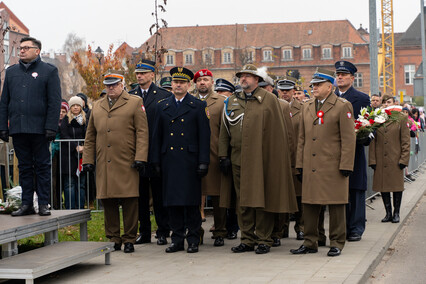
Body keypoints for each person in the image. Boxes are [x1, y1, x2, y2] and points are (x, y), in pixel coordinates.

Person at [219, 64, 297, 254]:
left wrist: (275, 159)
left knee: (261, 199)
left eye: (247, 76)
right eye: (241, 76)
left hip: (262, 159)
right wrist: (223, 155)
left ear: (257, 80)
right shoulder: (232, 101)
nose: (243, 79)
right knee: (243, 201)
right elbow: (224, 130)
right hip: (238, 159)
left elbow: (277, 133)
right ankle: (246, 238)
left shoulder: (269, 100)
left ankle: (264, 238)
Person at [291, 68, 356, 257]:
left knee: (336, 205)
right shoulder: (307, 105)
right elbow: (302, 138)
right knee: (310, 205)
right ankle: (310, 241)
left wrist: (346, 165)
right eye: (313, 85)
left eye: (318, 85)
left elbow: (348, 139)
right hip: (311, 165)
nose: (314, 88)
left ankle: (336, 242)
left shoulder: (342, 106)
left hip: (333, 165)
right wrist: (300, 164)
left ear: (330, 87)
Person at [82, 71, 149, 253]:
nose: (110, 88)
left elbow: (142, 132)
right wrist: (87, 160)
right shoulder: (97, 105)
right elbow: (90, 136)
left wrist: (141, 157)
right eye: (108, 85)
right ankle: (113, 238)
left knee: (129, 200)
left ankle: (129, 238)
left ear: (122, 85)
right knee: (107, 200)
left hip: (127, 160)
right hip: (105, 160)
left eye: (114, 85)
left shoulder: (135, 102)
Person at [151, 66, 210, 253]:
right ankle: (176, 239)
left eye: (182, 82)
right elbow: (156, 137)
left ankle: (193, 238)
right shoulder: (162, 106)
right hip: (169, 160)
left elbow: (204, 136)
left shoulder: (198, 106)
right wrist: (156, 162)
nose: (178, 85)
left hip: (190, 161)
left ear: (188, 85)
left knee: (191, 203)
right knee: (173, 203)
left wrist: (203, 161)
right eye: (176, 82)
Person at [0, 36, 61, 216]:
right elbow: (4, 102)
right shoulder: (11, 72)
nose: (22, 50)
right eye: (21, 48)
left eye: (26, 47)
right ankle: (26, 204)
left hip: (40, 129)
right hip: (18, 128)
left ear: (37, 51)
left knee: (42, 166)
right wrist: (3, 126)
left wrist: (51, 126)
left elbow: (54, 101)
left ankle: (43, 203)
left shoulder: (49, 71)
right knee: (24, 167)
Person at [129, 59, 172, 245]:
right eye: (137, 73)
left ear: (152, 75)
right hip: (137, 153)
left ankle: (163, 230)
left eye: (143, 73)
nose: (139, 76)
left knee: (159, 195)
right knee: (140, 196)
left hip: (156, 153)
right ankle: (144, 231)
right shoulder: (130, 96)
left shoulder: (162, 95)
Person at [334, 60, 370, 242]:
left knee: (355, 189)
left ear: (352, 78)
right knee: (337, 191)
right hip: (332, 152)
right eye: (338, 75)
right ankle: (340, 227)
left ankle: (356, 227)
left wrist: (365, 135)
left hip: (354, 150)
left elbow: (368, 125)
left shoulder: (362, 99)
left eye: (343, 75)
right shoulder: (329, 96)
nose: (339, 77)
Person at [193, 69, 228, 246]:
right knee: (194, 195)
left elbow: (225, 130)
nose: (202, 83)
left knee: (217, 196)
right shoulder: (190, 101)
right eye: (199, 80)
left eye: (206, 80)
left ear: (212, 82)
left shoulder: (221, 102)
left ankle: (220, 230)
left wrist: (224, 155)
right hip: (193, 155)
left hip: (214, 154)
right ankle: (195, 231)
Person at [369, 106, 410, 223]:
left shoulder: (402, 118)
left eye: (389, 102)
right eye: (385, 102)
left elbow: (406, 141)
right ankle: (388, 213)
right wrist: (372, 160)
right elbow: (373, 140)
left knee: (397, 187)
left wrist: (404, 160)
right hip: (381, 159)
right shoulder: (377, 118)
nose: (387, 105)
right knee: (383, 186)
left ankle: (396, 212)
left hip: (395, 159)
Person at [277, 77, 305, 241]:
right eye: (282, 90)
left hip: (296, 159)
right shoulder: (273, 108)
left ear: (294, 91)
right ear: (278, 91)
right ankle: (281, 229)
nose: (285, 93)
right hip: (279, 161)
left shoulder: (302, 109)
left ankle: (301, 227)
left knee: (299, 197)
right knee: (281, 196)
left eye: (288, 90)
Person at [60, 96, 87, 209]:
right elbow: (64, 135)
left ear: (81, 107)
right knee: (69, 184)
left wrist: (84, 147)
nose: (76, 107)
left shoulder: (86, 120)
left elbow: (88, 135)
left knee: (81, 184)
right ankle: (70, 208)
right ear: (70, 107)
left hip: (82, 156)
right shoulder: (66, 120)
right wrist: (75, 146)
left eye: (78, 105)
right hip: (68, 156)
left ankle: (80, 207)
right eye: (73, 105)